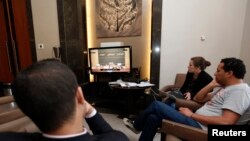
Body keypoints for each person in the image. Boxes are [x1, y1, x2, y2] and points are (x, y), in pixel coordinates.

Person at [0, 59, 129, 141]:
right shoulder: (118, 138)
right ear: (79, 95)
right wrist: (90, 112)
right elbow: (110, 133)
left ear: (25, 109)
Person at [124, 57, 250, 141]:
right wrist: (211, 85)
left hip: (200, 127)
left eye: (218, 71)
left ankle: (136, 125)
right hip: (196, 121)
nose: (215, 74)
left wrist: (191, 115)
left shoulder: (240, 91)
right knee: (153, 117)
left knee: (157, 105)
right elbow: (198, 98)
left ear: (229, 73)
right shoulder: (227, 88)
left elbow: (226, 122)